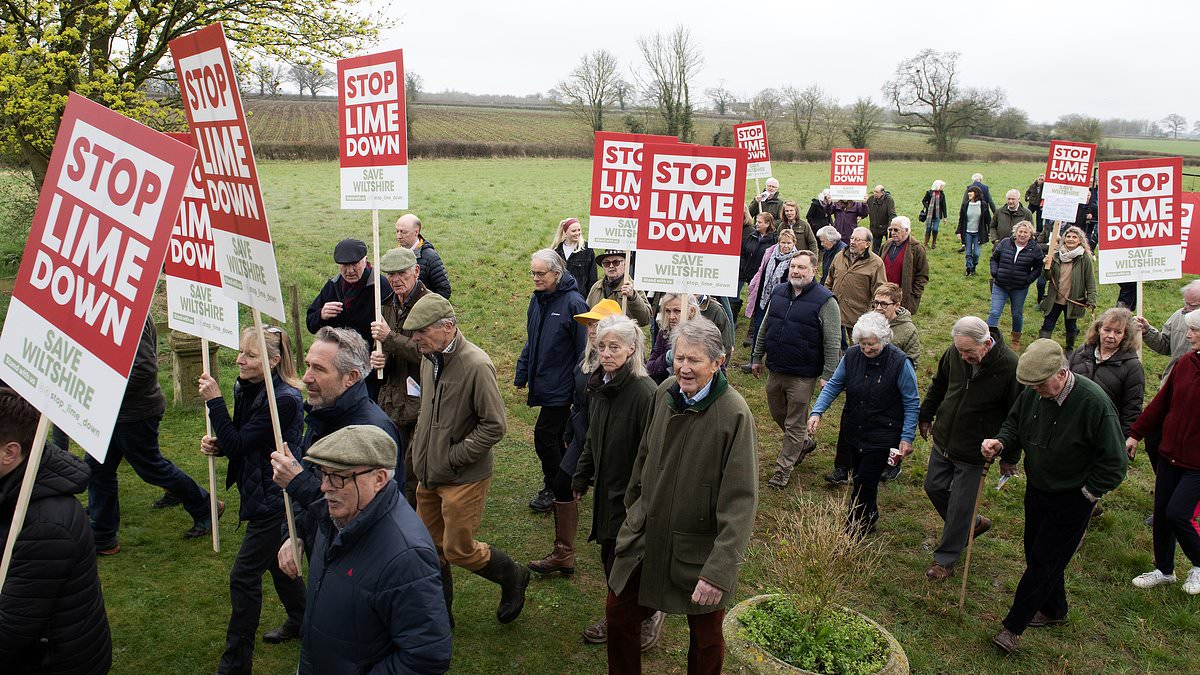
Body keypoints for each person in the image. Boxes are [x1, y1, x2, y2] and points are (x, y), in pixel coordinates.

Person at [606, 319, 757, 675]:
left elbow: (741, 501)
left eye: (695, 361)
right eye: (679, 357)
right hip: (647, 536)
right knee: (618, 616)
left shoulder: (735, 415)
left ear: (718, 362)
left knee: (706, 643)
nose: (683, 368)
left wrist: (719, 571)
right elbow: (644, 455)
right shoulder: (666, 391)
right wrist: (634, 509)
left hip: (697, 551)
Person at [983, 339, 1127, 654]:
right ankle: (1054, 609)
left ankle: (1012, 628)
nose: (1034, 391)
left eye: (1039, 385)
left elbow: (1116, 464)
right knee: (1036, 551)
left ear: (1061, 374)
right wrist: (1000, 443)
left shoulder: (1094, 404)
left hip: (1073, 497)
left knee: (1044, 560)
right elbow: (1013, 424)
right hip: (1038, 487)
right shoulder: (1034, 392)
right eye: (1029, 386)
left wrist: (1088, 494)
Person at [276, 426, 451, 674]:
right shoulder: (336, 516)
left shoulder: (407, 556)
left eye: (338, 477)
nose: (325, 486)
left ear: (379, 478)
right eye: (323, 474)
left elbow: (427, 655)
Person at [403, 293, 531, 626]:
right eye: (413, 333)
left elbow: (495, 425)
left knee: (458, 549)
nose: (415, 339)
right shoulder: (428, 358)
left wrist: (453, 457)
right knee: (429, 549)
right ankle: (440, 618)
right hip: (429, 474)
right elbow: (427, 413)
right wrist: (419, 451)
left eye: (421, 332)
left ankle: (514, 576)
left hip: (464, 477)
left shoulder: (476, 365)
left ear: (447, 327)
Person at [198, 326, 308, 670]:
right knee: (278, 564)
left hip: (276, 497)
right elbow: (240, 440)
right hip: (257, 488)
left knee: (243, 577)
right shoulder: (245, 385)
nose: (239, 360)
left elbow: (241, 443)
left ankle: (235, 663)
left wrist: (214, 403)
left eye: (250, 355)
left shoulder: (286, 401)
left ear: (273, 361)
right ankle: (303, 619)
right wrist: (220, 444)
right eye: (241, 352)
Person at [0, 389, 111, 674]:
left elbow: (10, 629)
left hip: (52, 661)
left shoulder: (47, 527)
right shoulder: (14, 485)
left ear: (10, 452)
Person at [570, 314, 663, 649]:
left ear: (632, 349)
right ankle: (630, 611)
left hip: (630, 495)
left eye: (614, 347)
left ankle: (636, 616)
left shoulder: (645, 393)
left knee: (622, 560)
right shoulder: (600, 385)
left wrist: (642, 498)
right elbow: (593, 437)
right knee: (609, 555)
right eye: (602, 346)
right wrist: (581, 475)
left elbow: (653, 452)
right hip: (606, 490)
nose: (606, 353)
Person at [88, 316, 218, 554]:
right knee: (98, 467)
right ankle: (103, 534)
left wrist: (98, 381)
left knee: (150, 467)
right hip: (114, 410)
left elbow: (143, 369)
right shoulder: (111, 306)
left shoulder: (128, 315)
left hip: (134, 412)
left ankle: (204, 505)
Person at [918, 317, 1020, 581]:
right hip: (945, 438)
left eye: (969, 352)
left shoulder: (1009, 366)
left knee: (961, 505)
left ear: (986, 344)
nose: (963, 357)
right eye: (960, 351)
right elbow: (939, 384)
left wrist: (1009, 455)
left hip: (977, 450)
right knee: (934, 487)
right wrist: (926, 414)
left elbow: (1015, 415)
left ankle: (944, 560)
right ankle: (971, 525)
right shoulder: (954, 352)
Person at [528, 299, 621, 578]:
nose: (591, 330)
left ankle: (619, 557)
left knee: (609, 499)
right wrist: (569, 430)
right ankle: (564, 553)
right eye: (590, 325)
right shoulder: (587, 356)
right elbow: (579, 402)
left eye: (598, 325)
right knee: (561, 483)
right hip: (581, 435)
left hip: (604, 439)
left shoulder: (612, 364)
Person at [272, 326, 402, 513]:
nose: (306, 378)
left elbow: (359, 514)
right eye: (308, 365)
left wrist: (297, 482)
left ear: (351, 377)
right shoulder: (321, 412)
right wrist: (295, 535)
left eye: (319, 369)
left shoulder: (372, 431)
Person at [809, 312, 919, 533]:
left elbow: (911, 401)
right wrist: (817, 412)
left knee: (864, 482)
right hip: (855, 428)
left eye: (872, 344)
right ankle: (870, 516)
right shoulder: (851, 356)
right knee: (862, 477)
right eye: (862, 344)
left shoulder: (899, 363)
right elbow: (833, 385)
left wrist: (907, 437)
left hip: (884, 432)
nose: (867, 349)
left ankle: (852, 529)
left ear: (884, 340)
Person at [751, 251, 841, 490]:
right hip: (777, 368)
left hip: (803, 373)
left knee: (794, 422)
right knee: (777, 412)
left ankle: (782, 470)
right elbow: (765, 326)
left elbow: (832, 341)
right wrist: (756, 356)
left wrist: (828, 375)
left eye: (801, 267)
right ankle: (803, 442)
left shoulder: (826, 301)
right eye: (793, 266)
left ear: (814, 271)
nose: (795, 271)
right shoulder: (779, 292)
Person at [1126, 309, 1200, 595]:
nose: (1189, 335)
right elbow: (1161, 402)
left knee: (1178, 514)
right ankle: (1164, 570)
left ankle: (1198, 563)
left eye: (1193, 331)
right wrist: (1136, 433)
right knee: (1161, 513)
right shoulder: (1185, 363)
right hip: (1169, 452)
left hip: (1196, 464)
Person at [517, 249, 588, 513]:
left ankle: (555, 487)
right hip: (543, 381)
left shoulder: (574, 304)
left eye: (540, 273)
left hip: (563, 387)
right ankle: (566, 484)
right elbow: (531, 339)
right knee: (557, 438)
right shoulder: (537, 301)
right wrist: (522, 371)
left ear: (557, 274)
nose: (535, 278)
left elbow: (584, 350)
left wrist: (580, 388)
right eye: (532, 273)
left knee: (545, 436)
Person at [368, 247, 430, 507]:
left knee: (414, 468)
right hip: (392, 399)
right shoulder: (386, 305)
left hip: (422, 401)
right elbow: (384, 347)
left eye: (402, 273)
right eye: (390, 274)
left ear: (415, 271)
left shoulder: (430, 306)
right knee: (391, 463)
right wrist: (378, 357)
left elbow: (429, 353)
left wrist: (389, 339)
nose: (395, 279)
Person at [305, 237, 394, 399]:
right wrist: (321, 314)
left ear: (365, 261)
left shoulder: (380, 287)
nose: (350, 270)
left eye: (355, 264)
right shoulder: (333, 286)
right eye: (345, 266)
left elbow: (395, 328)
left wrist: (384, 354)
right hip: (337, 367)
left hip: (370, 371)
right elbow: (311, 324)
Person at [1068, 308, 1145, 438]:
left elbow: (1132, 408)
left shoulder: (1133, 367)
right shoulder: (1081, 352)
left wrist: (1123, 439)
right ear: (1099, 329)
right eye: (1107, 330)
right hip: (1073, 426)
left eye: (1118, 332)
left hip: (1105, 432)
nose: (1111, 336)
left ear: (1125, 335)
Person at [824, 226, 887, 349]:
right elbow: (829, 280)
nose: (852, 242)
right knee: (832, 345)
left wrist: (874, 313)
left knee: (859, 347)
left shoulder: (876, 263)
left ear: (867, 244)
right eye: (852, 238)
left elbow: (880, 291)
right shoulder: (839, 256)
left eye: (858, 240)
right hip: (835, 310)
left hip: (858, 314)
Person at [1038, 225, 1096, 351]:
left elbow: (1090, 280)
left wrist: (1091, 300)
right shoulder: (1057, 255)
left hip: (1073, 300)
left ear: (1080, 240)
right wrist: (1046, 265)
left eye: (1074, 237)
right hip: (1055, 299)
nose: (1070, 239)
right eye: (1068, 237)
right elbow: (1048, 277)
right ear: (1064, 239)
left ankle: (1069, 349)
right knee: (1047, 325)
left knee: (1071, 326)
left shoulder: (1084, 257)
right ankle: (1041, 348)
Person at [988, 221, 1043, 350]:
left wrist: (1028, 279)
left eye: (1025, 232)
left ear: (1030, 234)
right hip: (1000, 285)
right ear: (1015, 232)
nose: (1022, 235)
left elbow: (1038, 267)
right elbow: (994, 258)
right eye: (1020, 232)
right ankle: (988, 338)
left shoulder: (1035, 248)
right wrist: (995, 272)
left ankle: (1015, 339)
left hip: (1019, 288)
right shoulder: (1005, 243)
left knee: (1017, 314)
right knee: (995, 312)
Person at [744, 228, 799, 351]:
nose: (785, 246)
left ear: (794, 243)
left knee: (776, 330)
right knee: (758, 327)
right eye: (783, 243)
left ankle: (771, 356)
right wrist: (753, 285)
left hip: (782, 300)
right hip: (763, 297)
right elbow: (761, 271)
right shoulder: (770, 253)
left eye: (789, 243)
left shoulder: (796, 259)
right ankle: (754, 357)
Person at [1139, 279, 1200, 382]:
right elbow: (1165, 345)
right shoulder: (1178, 316)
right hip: (1174, 381)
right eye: (1186, 303)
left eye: (1193, 306)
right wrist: (1147, 331)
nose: (1186, 309)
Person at [587, 250, 653, 327]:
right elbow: (588, 316)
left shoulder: (634, 287)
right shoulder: (596, 287)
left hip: (624, 336)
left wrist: (633, 297)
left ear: (625, 265)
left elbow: (645, 319)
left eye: (616, 262)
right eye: (606, 263)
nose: (611, 266)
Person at [395, 213, 452, 299]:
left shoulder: (430, 257)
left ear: (416, 232)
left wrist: (426, 308)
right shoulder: (395, 255)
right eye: (397, 231)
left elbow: (444, 290)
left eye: (403, 232)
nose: (398, 236)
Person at [646, 293, 699, 384]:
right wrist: (666, 358)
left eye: (677, 311)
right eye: (667, 311)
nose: (671, 317)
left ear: (691, 311)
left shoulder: (703, 337)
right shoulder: (664, 333)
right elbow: (650, 368)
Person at [881, 216, 929, 314]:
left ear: (906, 231)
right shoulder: (886, 245)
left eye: (896, 230)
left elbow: (922, 275)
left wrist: (914, 295)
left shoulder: (916, 249)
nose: (892, 233)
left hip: (903, 298)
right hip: (884, 295)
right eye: (891, 230)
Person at [737, 212, 778, 326]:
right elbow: (744, 252)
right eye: (756, 221)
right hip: (750, 273)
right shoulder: (752, 236)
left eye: (759, 222)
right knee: (751, 297)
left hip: (764, 276)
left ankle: (753, 328)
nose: (756, 224)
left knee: (759, 300)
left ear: (768, 223)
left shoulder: (774, 239)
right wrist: (744, 266)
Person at [871, 283, 920, 365]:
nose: (878, 308)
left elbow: (912, 362)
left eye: (884, 304)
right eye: (876, 302)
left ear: (896, 306)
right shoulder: (867, 322)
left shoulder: (909, 331)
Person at [552, 216, 597, 292]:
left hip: (580, 297)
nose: (577, 233)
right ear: (565, 232)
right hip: (560, 296)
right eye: (573, 231)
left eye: (579, 230)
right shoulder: (557, 251)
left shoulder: (587, 250)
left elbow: (592, 278)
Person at [957, 185, 992, 277]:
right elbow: (961, 220)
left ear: (976, 193)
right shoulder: (965, 205)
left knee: (976, 253)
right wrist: (959, 232)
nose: (969, 193)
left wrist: (989, 232)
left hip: (978, 233)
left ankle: (973, 266)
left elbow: (988, 220)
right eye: (968, 192)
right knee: (968, 253)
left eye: (971, 192)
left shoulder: (983, 205)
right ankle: (968, 269)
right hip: (967, 232)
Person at [866, 185, 897, 255]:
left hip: (886, 227)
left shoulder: (889, 200)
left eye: (877, 192)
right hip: (875, 228)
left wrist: (890, 227)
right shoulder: (871, 199)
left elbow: (892, 214)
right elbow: (865, 210)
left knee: (890, 247)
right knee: (875, 250)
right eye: (874, 191)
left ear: (882, 193)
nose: (875, 193)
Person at [921, 180, 948, 249]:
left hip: (937, 215)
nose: (942, 187)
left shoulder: (942, 194)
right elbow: (923, 201)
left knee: (935, 229)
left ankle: (934, 242)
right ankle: (926, 243)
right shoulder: (929, 193)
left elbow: (944, 206)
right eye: (942, 186)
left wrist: (945, 217)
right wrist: (928, 207)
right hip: (929, 215)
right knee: (928, 229)